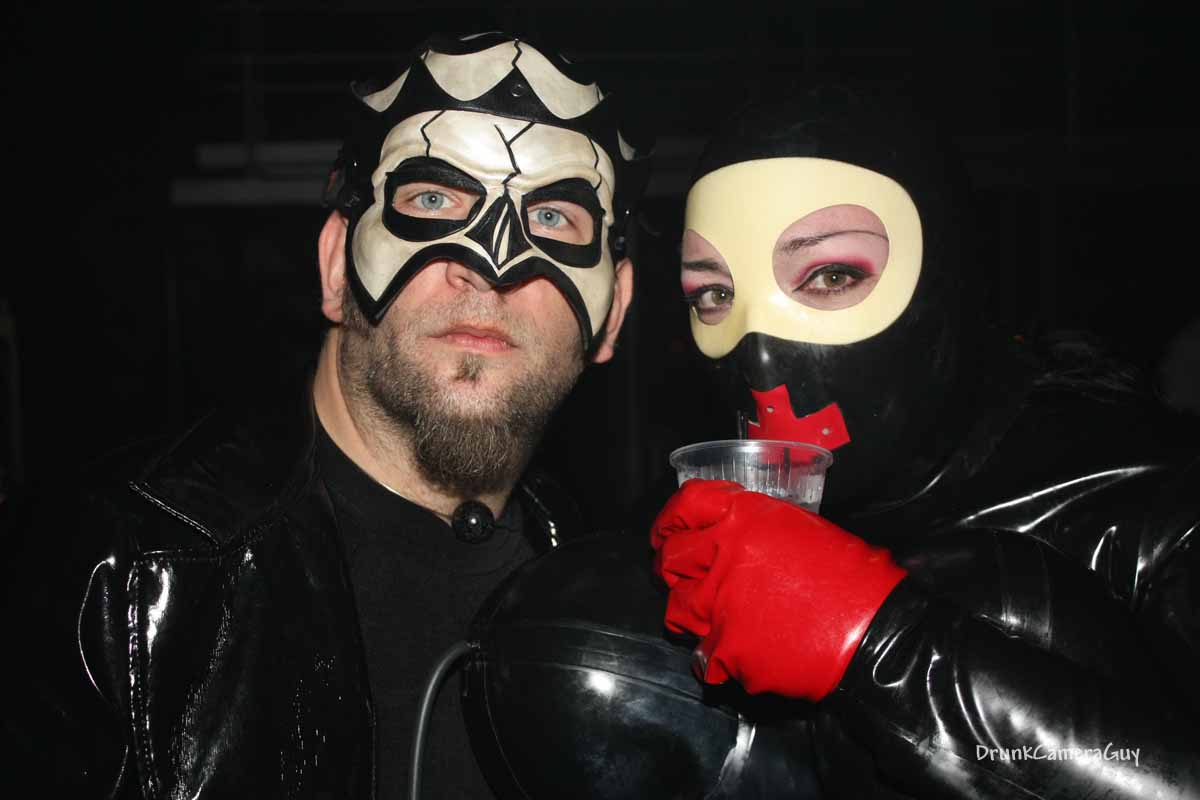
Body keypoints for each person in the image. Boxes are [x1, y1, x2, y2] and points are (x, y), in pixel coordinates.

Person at [3, 32, 646, 799]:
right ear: (337, 265)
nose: (489, 266)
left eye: (554, 217)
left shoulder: (633, 606)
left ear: (614, 311)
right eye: (432, 199)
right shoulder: (112, 579)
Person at [649, 89, 1200, 797]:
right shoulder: (700, 517)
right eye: (713, 294)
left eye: (833, 275)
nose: (758, 360)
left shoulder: (1156, 504)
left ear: (945, 278)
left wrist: (883, 646)